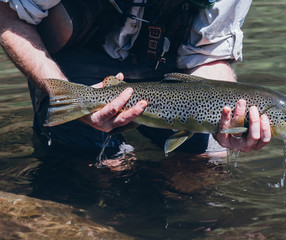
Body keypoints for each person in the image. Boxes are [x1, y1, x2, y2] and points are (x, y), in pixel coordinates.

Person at [0, 0, 271, 156]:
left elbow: (209, 55)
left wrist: (226, 120)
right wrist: (62, 91)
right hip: (72, 65)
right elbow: (7, 13)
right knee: (98, 164)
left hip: (169, 75)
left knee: (207, 162)